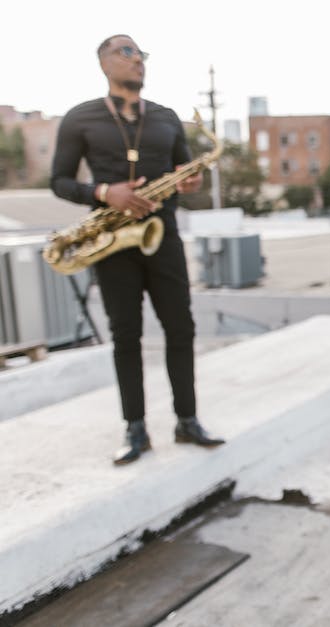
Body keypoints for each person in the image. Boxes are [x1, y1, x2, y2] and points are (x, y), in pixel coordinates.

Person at [51, 34, 224, 465]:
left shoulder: (166, 118)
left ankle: (187, 420)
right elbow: (59, 180)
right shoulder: (80, 118)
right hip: (112, 240)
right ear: (104, 62)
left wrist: (191, 181)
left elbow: (187, 174)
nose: (138, 60)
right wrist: (106, 192)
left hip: (161, 235)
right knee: (125, 335)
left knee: (180, 328)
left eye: (141, 53)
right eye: (126, 52)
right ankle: (136, 428)